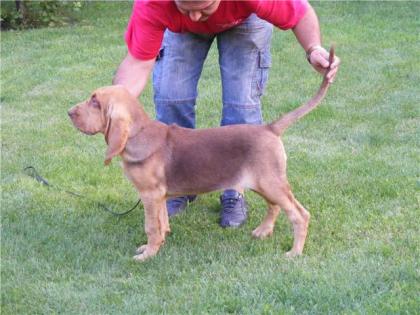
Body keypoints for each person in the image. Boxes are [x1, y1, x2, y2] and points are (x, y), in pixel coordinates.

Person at [113, 0, 340, 228]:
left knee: (241, 105)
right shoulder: (153, 3)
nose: (195, 17)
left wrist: (313, 49)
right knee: (172, 96)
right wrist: (114, 105)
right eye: (186, 8)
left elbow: (300, 12)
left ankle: (235, 189)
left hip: (244, 19)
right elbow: (138, 64)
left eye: (204, 7)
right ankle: (177, 184)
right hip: (179, 31)